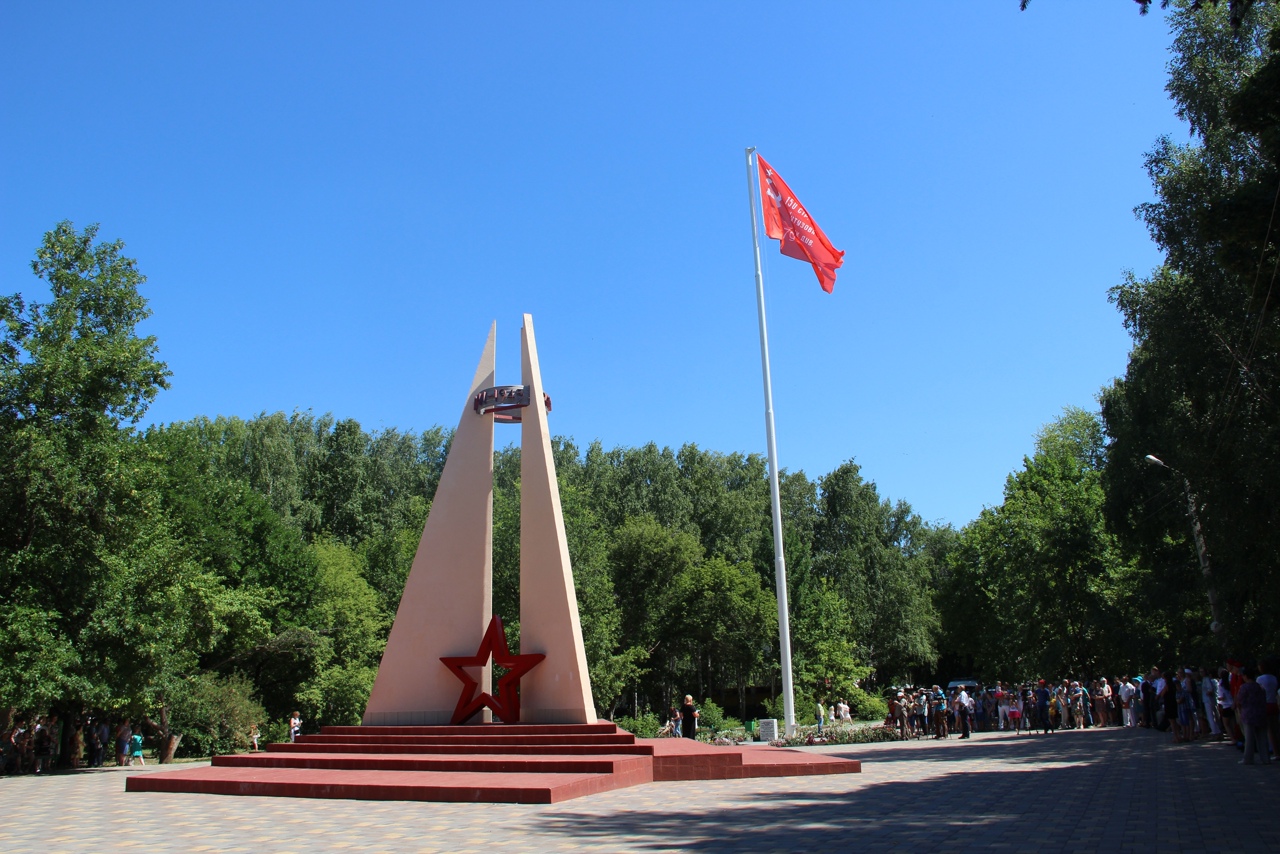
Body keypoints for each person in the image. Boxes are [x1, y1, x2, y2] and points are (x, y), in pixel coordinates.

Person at [1237, 666, 1270, 766]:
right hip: (1261, 713)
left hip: (1248, 714)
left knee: (1249, 738)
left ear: (1246, 676)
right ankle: (1265, 758)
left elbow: (1240, 700)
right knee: (1262, 738)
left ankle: (1248, 758)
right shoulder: (1260, 687)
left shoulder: (1244, 687)